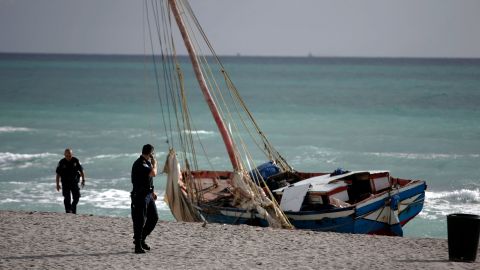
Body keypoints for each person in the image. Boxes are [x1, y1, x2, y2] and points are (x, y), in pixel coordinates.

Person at [131, 144, 159, 254]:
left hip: (148, 195)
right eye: (153, 153)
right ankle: (137, 245)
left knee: (154, 217)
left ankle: (142, 239)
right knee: (140, 221)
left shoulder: (147, 163)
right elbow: (153, 173)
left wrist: (152, 192)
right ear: (150, 153)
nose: (153, 156)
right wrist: (155, 164)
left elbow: (147, 180)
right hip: (139, 196)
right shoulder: (140, 163)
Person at [56, 148, 85, 214]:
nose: (68, 157)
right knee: (67, 198)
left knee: (77, 197)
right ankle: (68, 211)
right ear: (64, 155)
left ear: (72, 154)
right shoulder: (61, 162)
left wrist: (83, 180)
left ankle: (73, 209)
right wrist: (57, 184)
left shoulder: (76, 160)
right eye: (67, 156)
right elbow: (58, 174)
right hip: (65, 183)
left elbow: (82, 171)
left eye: (70, 155)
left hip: (74, 182)